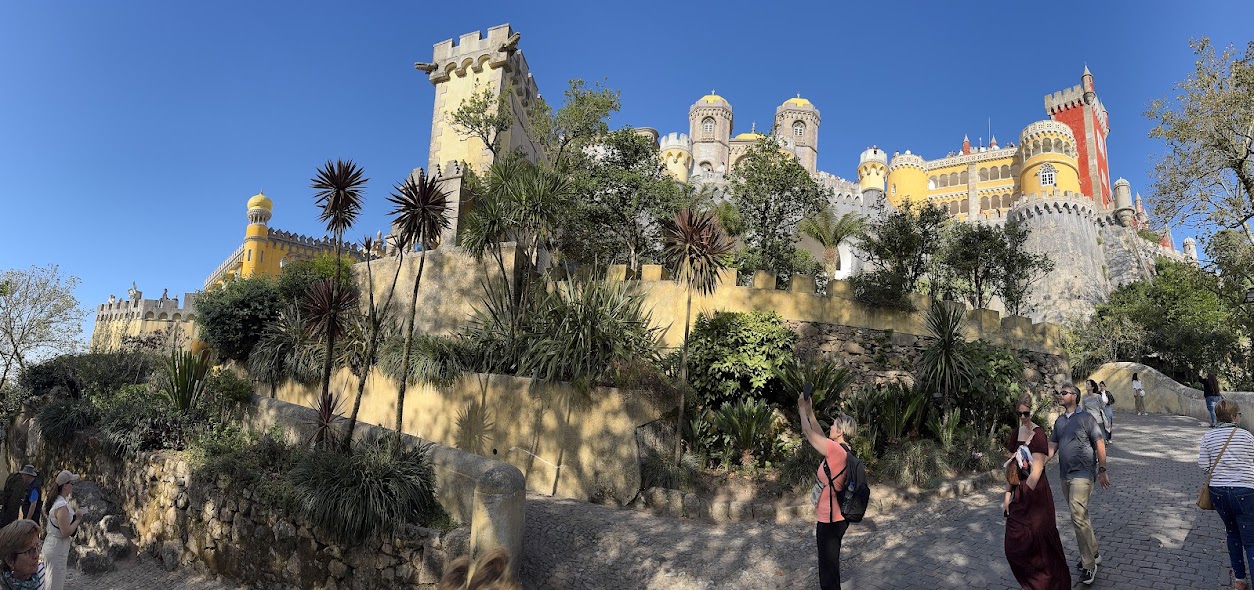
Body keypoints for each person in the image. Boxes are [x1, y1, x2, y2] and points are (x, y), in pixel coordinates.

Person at [1003, 397, 1070, 589]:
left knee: (1040, 542)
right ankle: (1032, 582)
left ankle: (1052, 584)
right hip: (1020, 491)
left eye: (1026, 413)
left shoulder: (1038, 434)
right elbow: (1012, 469)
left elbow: (1036, 471)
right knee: (1013, 545)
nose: (1023, 417)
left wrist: (1023, 496)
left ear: (1031, 412)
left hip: (1036, 494)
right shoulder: (1015, 434)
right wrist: (1007, 496)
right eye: (1019, 414)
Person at [1049, 383, 1111, 586]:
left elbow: (1099, 443)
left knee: (1077, 516)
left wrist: (1102, 470)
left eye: (1064, 393)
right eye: (1059, 393)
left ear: (1074, 396)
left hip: (1083, 474)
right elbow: (1051, 448)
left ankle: (1089, 564)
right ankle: (1094, 552)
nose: (1060, 395)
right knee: (1081, 516)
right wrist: (1035, 464)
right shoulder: (1059, 422)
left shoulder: (1086, 418)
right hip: (1064, 475)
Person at [799, 394, 857, 590]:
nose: (830, 426)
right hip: (837, 517)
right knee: (830, 567)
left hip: (831, 520)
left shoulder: (836, 451)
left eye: (833, 425)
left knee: (828, 573)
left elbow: (809, 433)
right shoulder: (843, 449)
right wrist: (810, 412)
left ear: (840, 431)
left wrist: (801, 409)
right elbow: (820, 437)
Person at [1199, 399, 1254, 590]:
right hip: (1245, 492)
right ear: (1232, 416)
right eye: (1239, 415)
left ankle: (1240, 580)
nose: (1239, 418)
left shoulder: (1208, 437)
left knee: (1232, 533)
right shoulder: (1246, 436)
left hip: (1219, 492)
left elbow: (1204, 465)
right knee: (1251, 542)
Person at [42, 470, 85, 590]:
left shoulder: (56, 501)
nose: (72, 486)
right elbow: (66, 532)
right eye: (71, 483)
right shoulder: (61, 506)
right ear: (65, 486)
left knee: (51, 581)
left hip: (53, 544)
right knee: (55, 584)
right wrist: (78, 519)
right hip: (57, 548)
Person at [0, 519, 45, 590]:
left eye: (37, 546)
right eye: (29, 551)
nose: (36, 555)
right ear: (10, 560)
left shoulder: (41, 573)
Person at [1082, 379, 1111, 444]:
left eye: (1088, 384)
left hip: (1098, 421)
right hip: (1089, 422)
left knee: (1101, 441)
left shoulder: (1098, 397)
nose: (1086, 385)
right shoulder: (1084, 398)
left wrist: (1108, 420)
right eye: (1086, 384)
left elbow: (1103, 409)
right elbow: (1083, 411)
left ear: (1092, 387)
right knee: (1091, 442)